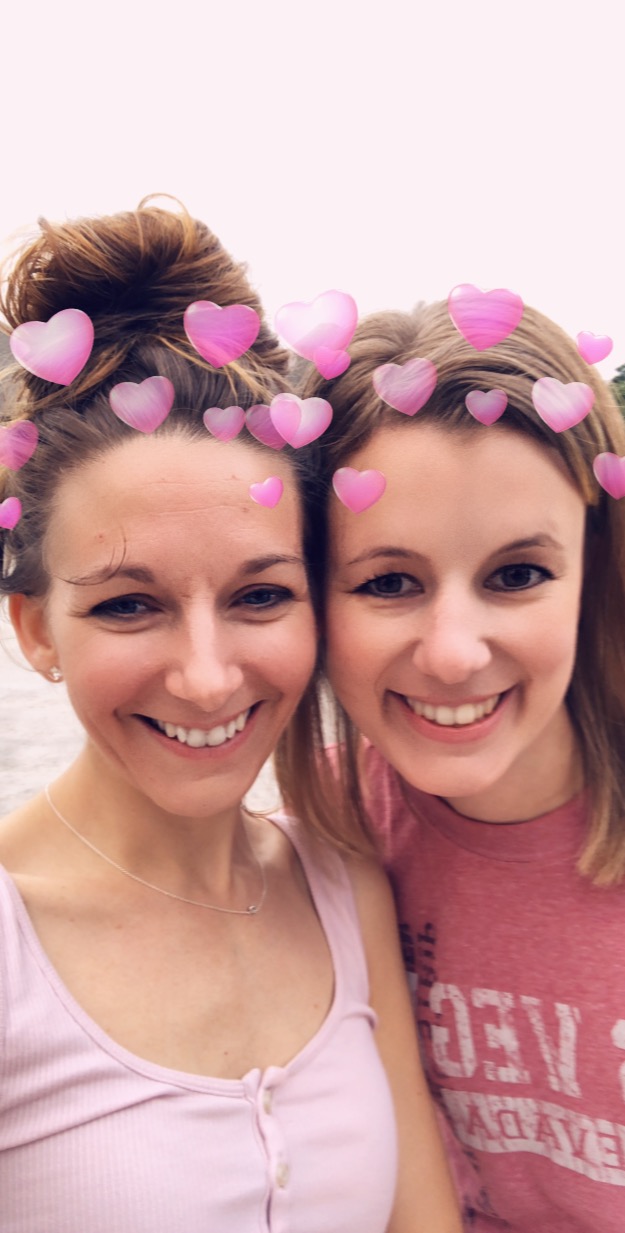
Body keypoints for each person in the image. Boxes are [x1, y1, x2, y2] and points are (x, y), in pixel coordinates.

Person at [0, 203, 462, 1233]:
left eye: (260, 595)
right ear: (35, 628)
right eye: (129, 605)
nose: (208, 680)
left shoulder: (341, 888)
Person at [282, 295, 625, 1231]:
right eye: (388, 582)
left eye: (517, 575)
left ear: (594, 575)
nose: (452, 653)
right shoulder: (311, 850)